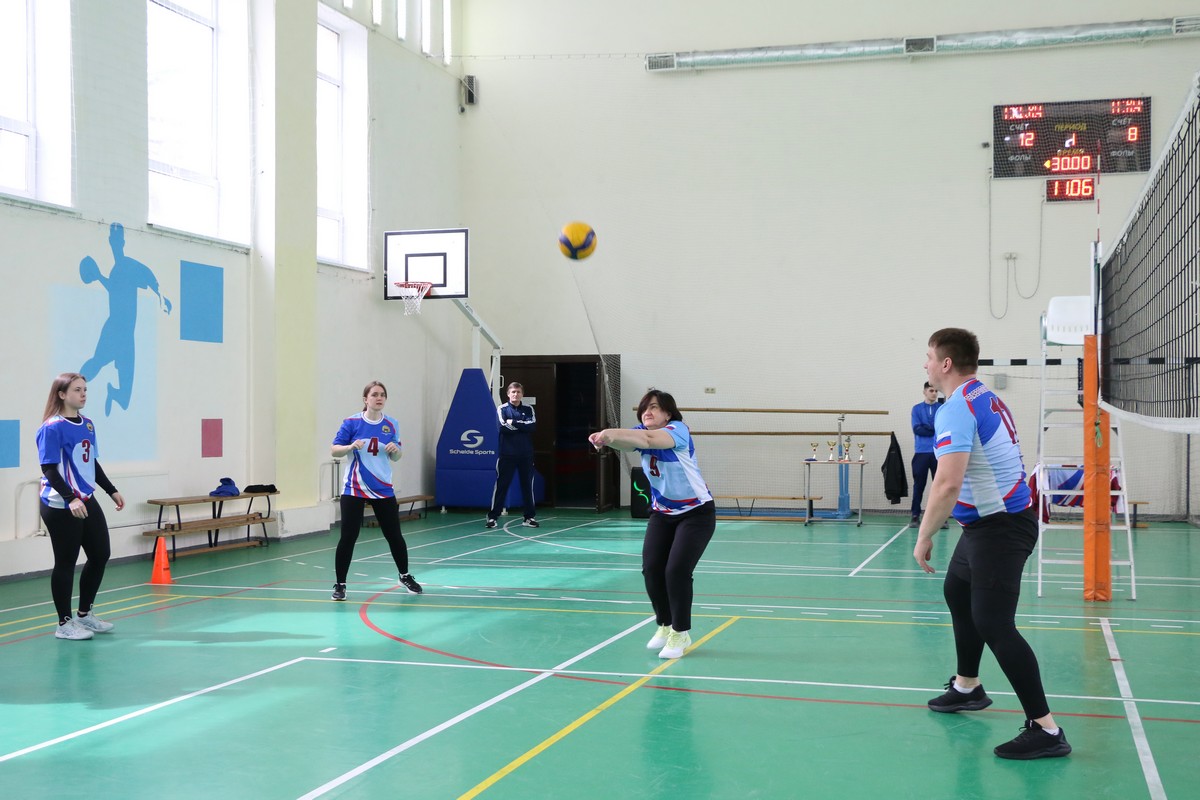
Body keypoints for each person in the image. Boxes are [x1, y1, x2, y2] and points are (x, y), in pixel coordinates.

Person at [914, 328, 1071, 760]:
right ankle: (968, 686)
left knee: (995, 624)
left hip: (1001, 529)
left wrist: (925, 534)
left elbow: (947, 483)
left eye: (929, 357)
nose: (925, 364)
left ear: (946, 363)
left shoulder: (956, 408)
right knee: (957, 591)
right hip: (985, 526)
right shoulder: (980, 395)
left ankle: (1046, 729)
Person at [589, 390, 715, 660]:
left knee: (677, 571)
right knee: (652, 569)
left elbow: (646, 440)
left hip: (696, 513)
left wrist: (609, 433)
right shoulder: (640, 432)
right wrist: (603, 440)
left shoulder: (678, 431)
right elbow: (628, 443)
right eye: (645, 408)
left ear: (668, 413)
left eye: (655, 407)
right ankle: (665, 623)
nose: (647, 412)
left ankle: (680, 632)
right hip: (662, 513)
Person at [36, 373, 126, 641]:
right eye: (77, 390)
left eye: (85, 389)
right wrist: (70, 498)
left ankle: (84, 614)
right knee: (66, 562)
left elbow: (91, 464)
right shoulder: (52, 427)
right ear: (62, 394)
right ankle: (64, 624)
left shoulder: (87, 424)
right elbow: (49, 469)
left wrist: (111, 490)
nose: (83, 394)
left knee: (100, 554)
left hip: (85, 498)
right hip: (60, 503)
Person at [330, 381, 422, 600]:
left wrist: (395, 450)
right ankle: (340, 584)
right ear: (366, 399)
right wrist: (350, 447)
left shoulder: (391, 424)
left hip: (382, 488)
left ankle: (404, 575)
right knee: (348, 536)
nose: (379, 398)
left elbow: (397, 456)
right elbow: (334, 450)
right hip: (354, 488)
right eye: (374, 394)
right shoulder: (351, 422)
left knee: (394, 535)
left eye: (382, 395)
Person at [79, 222, 173, 416]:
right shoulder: (116, 270)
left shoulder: (127, 266)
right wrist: (98, 276)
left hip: (126, 334)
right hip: (115, 328)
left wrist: (161, 296)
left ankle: (112, 393)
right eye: (114, 239)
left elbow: (148, 275)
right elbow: (115, 290)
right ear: (111, 241)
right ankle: (71, 389)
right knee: (97, 362)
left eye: (118, 240)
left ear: (122, 242)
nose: (116, 243)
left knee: (125, 399)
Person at [486, 382, 539, 529]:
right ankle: (492, 517)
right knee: (502, 486)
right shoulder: (502, 409)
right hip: (507, 455)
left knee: (527, 486)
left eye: (518, 392)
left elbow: (532, 427)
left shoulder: (529, 409)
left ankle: (529, 517)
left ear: (522, 394)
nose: (516, 394)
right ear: (508, 394)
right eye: (513, 392)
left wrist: (514, 422)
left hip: (526, 455)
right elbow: (503, 428)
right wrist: (522, 425)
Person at [910, 382, 947, 529]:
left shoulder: (942, 408)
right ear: (925, 392)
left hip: (939, 452)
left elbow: (943, 428)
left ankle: (942, 518)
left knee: (940, 486)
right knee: (919, 485)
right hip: (921, 452)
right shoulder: (917, 409)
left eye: (936, 391)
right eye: (931, 391)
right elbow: (917, 429)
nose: (934, 393)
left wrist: (928, 427)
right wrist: (932, 429)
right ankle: (915, 515)